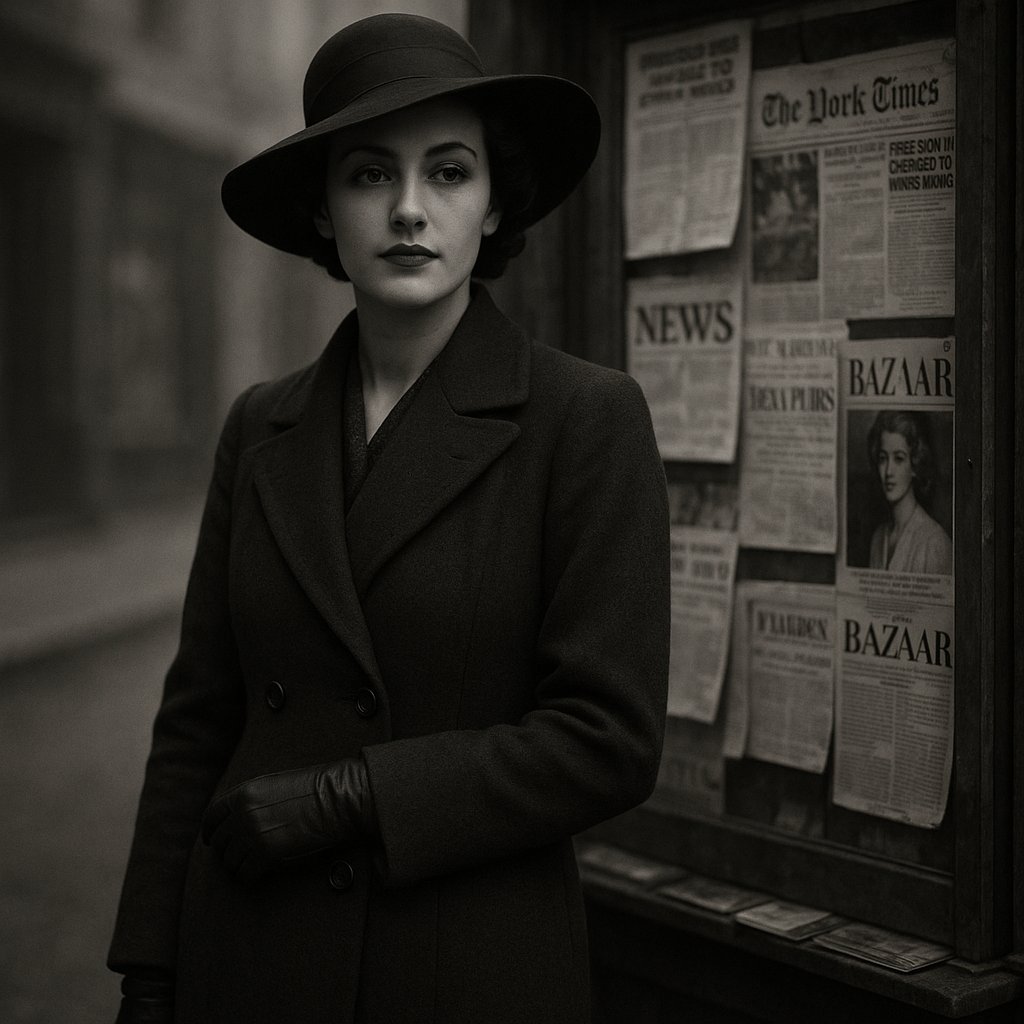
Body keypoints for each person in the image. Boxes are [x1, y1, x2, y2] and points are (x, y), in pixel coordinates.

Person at [108, 14, 670, 1024]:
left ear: (494, 204)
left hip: (460, 967)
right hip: (251, 961)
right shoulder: (262, 425)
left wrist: (349, 796)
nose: (410, 209)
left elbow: (608, 739)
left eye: (449, 172)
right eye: (370, 175)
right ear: (324, 212)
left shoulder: (583, 418)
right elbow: (197, 721)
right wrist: (148, 973)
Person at [865, 409, 952, 574]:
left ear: (915, 464)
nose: (888, 472)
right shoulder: (878, 538)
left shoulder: (935, 543)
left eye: (899, 458)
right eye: (883, 458)